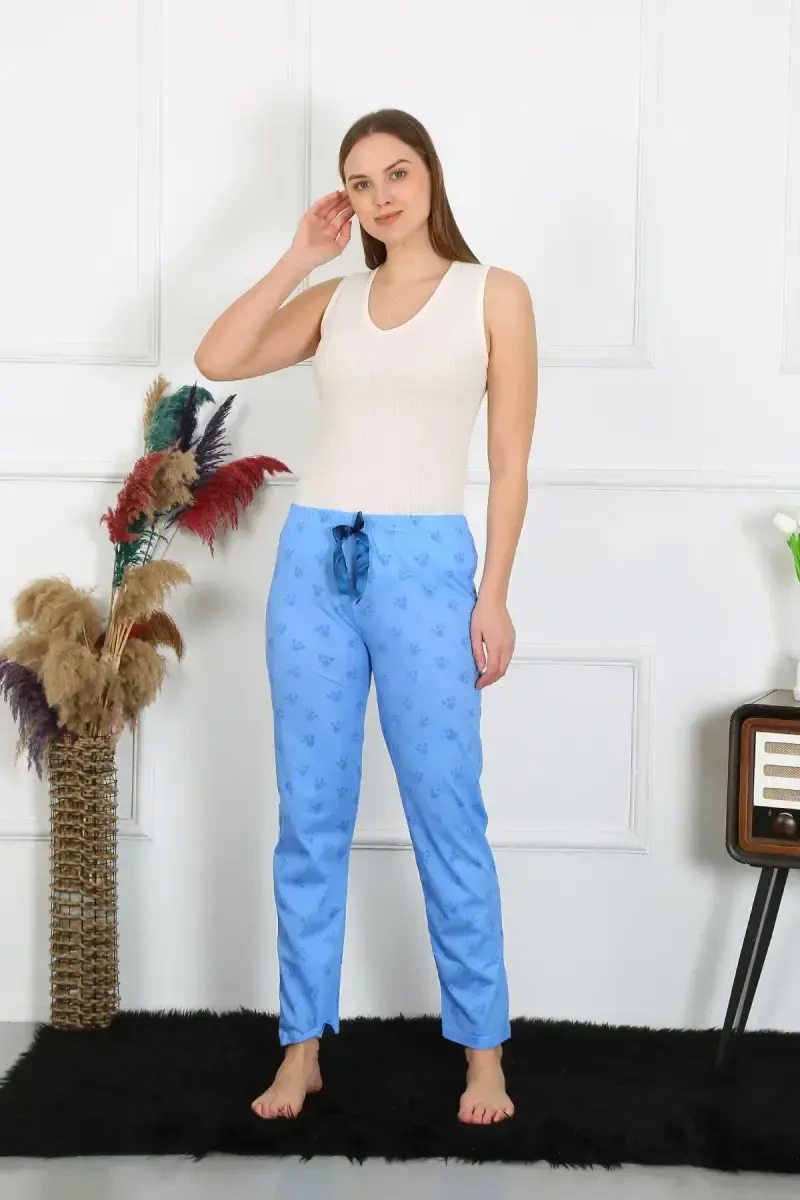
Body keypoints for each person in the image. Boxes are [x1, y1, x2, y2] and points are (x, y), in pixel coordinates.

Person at [194, 108, 538, 1125]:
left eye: (397, 172)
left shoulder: (493, 293)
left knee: (447, 812)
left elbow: (511, 463)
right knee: (309, 816)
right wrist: (301, 254)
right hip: (313, 563)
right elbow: (219, 354)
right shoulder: (334, 299)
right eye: (359, 181)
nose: (381, 195)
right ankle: (301, 1049)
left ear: (429, 175)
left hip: (428, 569)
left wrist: (493, 593)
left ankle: (484, 1055)